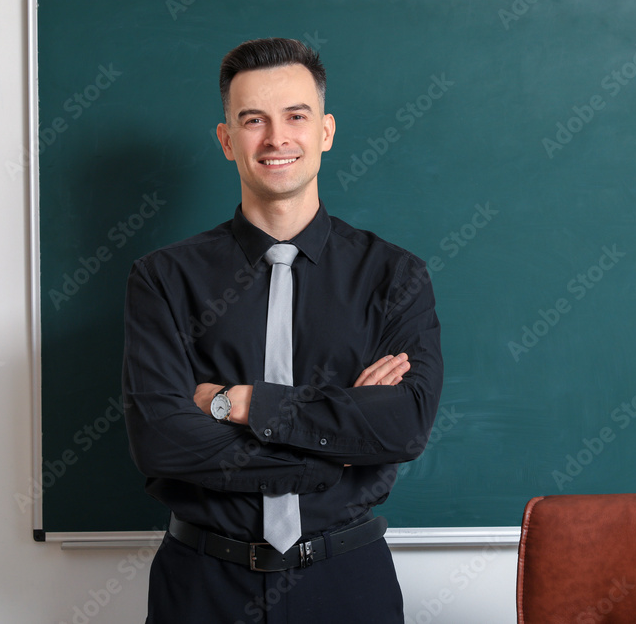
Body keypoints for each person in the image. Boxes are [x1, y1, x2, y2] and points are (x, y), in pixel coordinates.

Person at [122, 37, 443, 623]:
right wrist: (333, 454)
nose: (276, 139)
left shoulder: (394, 275)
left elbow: (404, 425)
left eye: (296, 116)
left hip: (348, 580)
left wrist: (240, 403)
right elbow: (163, 440)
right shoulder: (163, 278)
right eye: (252, 120)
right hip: (201, 585)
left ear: (325, 131)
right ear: (226, 141)